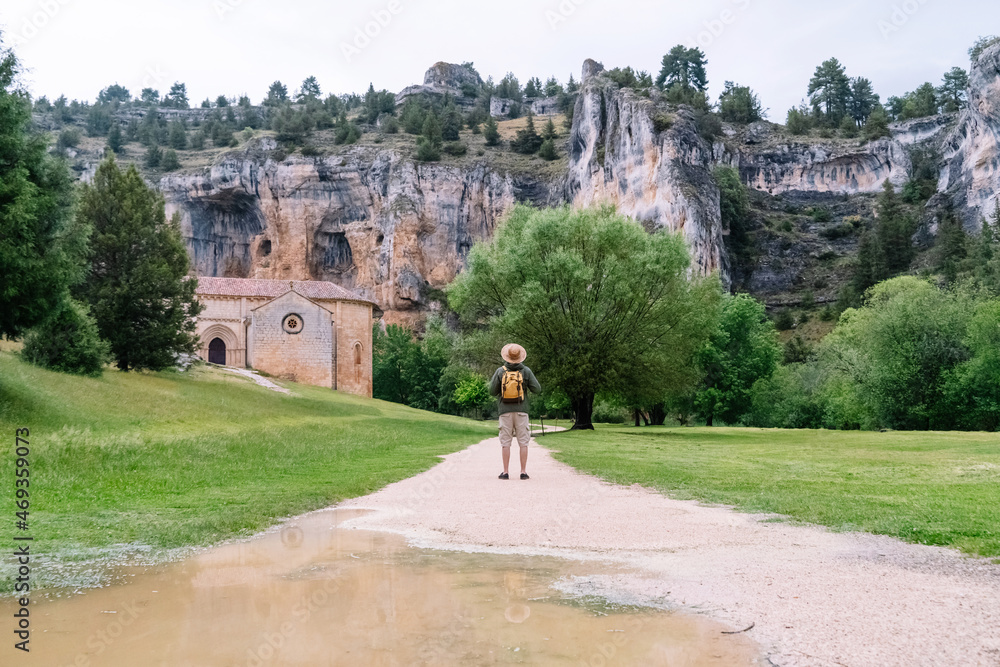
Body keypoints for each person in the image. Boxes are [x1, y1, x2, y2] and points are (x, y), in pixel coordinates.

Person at [489, 343, 541, 480]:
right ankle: (523, 472)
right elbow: (537, 389)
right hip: (521, 410)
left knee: (505, 442)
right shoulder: (526, 371)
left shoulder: (500, 371)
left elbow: (492, 391)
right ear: (520, 357)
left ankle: (505, 472)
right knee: (523, 441)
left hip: (504, 411)